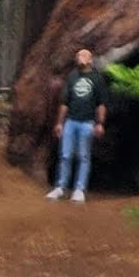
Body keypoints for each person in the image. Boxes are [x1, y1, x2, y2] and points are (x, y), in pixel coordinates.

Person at [51, 47, 107, 204]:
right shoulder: (72, 77)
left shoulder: (97, 79)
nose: (79, 58)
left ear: (90, 59)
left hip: (87, 123)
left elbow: (101, 104)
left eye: (83, 55)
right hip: (71, 121)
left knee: (83, 156)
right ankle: (60, 187)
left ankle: (79, 190)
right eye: (78, 56)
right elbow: (64, 102)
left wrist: (100, 123)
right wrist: (59, 123)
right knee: (65, 155)